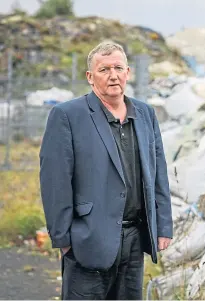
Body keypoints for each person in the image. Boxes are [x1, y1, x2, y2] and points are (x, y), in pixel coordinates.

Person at [39, 41, 173, 300]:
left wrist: (163, 225)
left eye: (118, 67)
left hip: (135, 238)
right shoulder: (67, 115)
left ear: (128, 73)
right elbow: (55, 181)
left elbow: (158, 173)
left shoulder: (145, 114)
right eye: (104, 69)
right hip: (87, 238)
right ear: (90, 77)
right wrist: (63, 239)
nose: (113, 75)